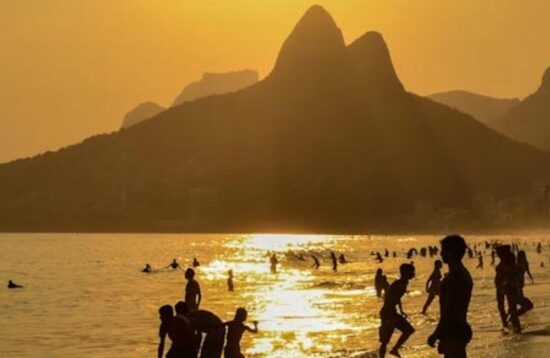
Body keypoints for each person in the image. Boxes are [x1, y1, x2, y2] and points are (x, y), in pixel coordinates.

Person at [428, 235, 473, 358]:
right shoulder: (460, 273)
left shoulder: (455, 277)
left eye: (444, 250)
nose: (441, 254)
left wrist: (437, 333)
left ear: (452, 252)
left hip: (454, 330)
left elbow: (449, 309)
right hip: (457, 328)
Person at [379, 263, 416, 358]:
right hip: (388, 312)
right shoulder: (399, 284)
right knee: (385, 340)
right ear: (405, 273)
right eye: (411, 272)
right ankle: (392, 351)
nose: (413, 274)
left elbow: (397, 297)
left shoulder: (403, 283)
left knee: (409, 330)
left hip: (391, 312)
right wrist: (391, 316)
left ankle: (395, 349)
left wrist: (401, 310)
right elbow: (389, 298)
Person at [495, 245, 521, 332]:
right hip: (504, 287)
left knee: (505, 307)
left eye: (498, 252)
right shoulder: (507, 262)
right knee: (509, 307)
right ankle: (512, 324)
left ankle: (508, 324)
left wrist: (504, 284)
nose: (497, 254)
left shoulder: (506, 263)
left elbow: (510, 276)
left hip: (504, 287)